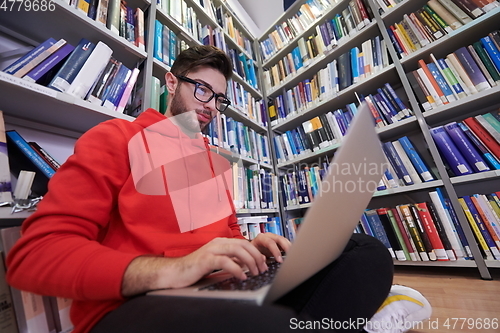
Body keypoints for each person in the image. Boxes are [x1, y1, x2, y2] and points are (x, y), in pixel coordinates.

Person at [6, 45, 430, 333]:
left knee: (365, 251)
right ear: (172, 83)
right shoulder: (116, 137)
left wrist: (253, 246)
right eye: (202, 89)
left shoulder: (214, 163)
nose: (210, 105)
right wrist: (172, 268)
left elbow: (222, 239)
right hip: (133, 306)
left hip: (220, 287)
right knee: (262, 324)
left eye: (219, 99)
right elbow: (35, 255)